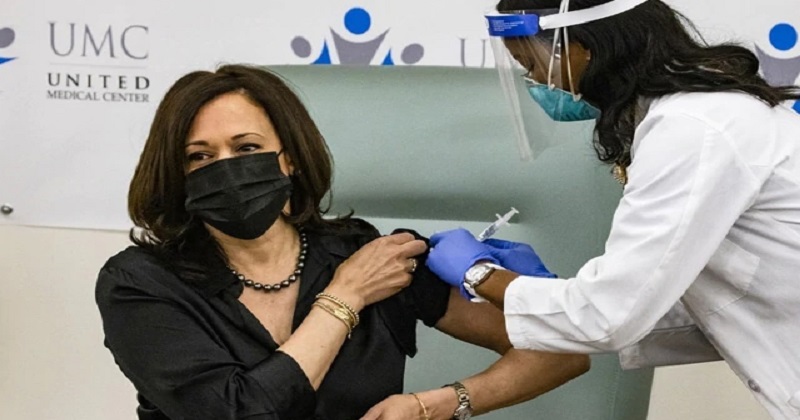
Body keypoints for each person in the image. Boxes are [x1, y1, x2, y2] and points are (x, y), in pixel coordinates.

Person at [95, 64, 589, 420]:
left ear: (289, 158)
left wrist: (435, 404)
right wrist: (344, 296)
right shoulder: (142, 283)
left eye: (247, 148)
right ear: (177, 173)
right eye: (200, 157)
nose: (226, 168)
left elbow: (561, 351)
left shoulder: (369, 257)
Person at [425, 0, 800, 419]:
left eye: (531, 62)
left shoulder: (692, 131)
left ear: (583, 46)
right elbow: (727, 298)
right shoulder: (704, 113)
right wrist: (550, 292)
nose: (535, 79)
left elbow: (609, 317)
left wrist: (480, 276)